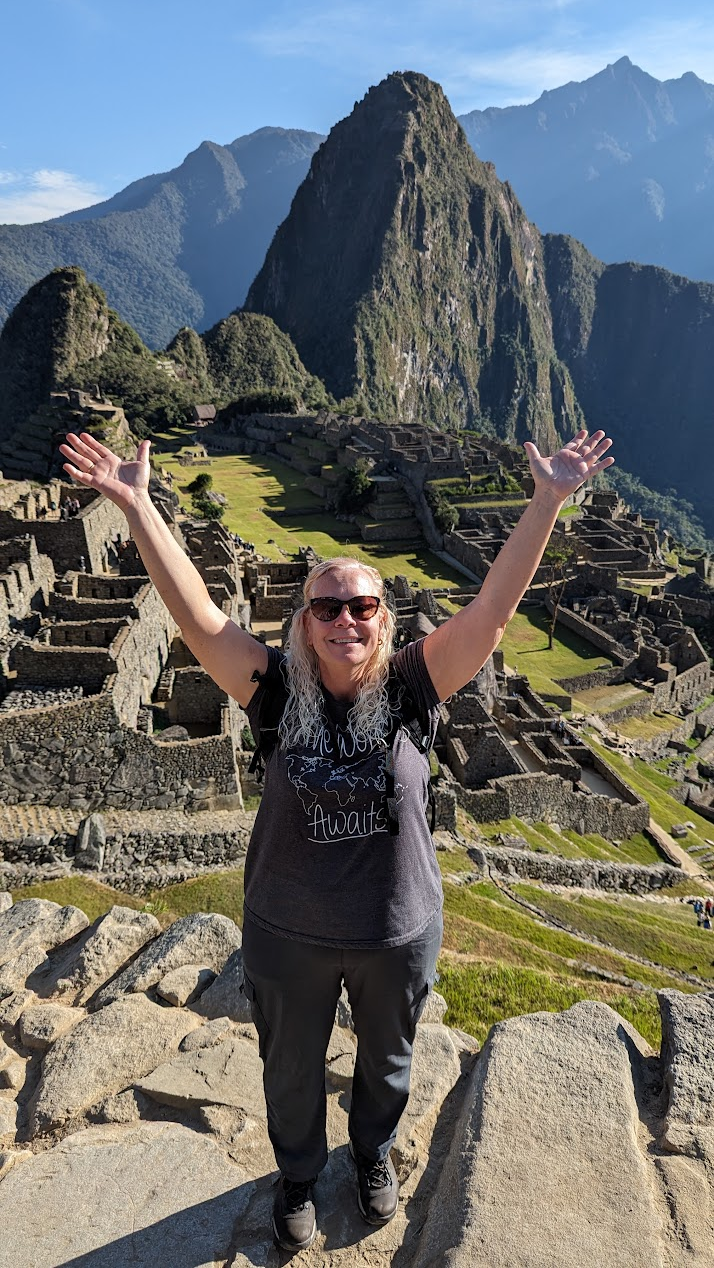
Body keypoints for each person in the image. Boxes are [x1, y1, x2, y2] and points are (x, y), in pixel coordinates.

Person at [58, 425, 613, 1252]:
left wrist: (545, 501)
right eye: (327, 607)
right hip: (287, 929)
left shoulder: (415, 687)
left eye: (362, 605)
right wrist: (138, 505)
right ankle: (297, 1175)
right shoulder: (273, 692)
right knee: (289, 1070)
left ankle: (373, 1154)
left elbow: (492, 612)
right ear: (304, 624)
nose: (346, 619)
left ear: (383, 620)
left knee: (387, 1064)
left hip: (396, 927)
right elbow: (198, 616)